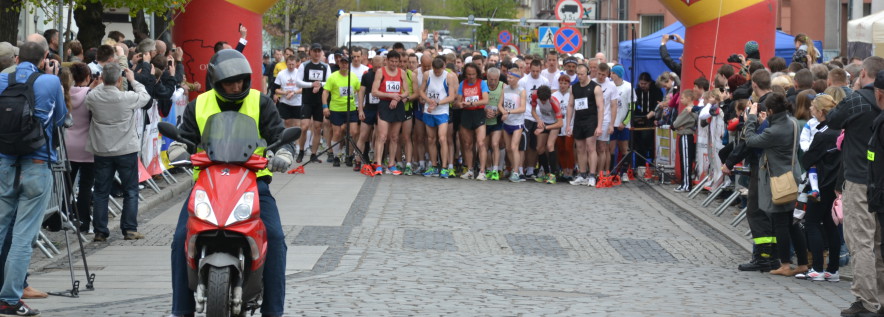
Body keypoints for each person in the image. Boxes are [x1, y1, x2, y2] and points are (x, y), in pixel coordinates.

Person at [167, 49, 294, 317]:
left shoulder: (261, 103)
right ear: (215, 81)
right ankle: (180, 311)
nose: (235, 86)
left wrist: (283, 152)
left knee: (275, 237)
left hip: (252, 183)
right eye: (229, 82)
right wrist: (178, 149)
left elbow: (279, 134)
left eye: (239, 80)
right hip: (208, 182)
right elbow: (184, 136)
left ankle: (273, 312)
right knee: (180, 238)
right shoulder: (198, 104)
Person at [0, 40, 67, 317]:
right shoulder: (50, 82)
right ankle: (9, 299)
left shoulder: (2, 78)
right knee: (23, 235)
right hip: (37, 163)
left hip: (4, 162)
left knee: (1, 227)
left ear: (17, 59)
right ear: (44, 59)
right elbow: (61, 118)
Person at [827, 56, 884, 317]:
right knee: (878, 244)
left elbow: (833, 120)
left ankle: (867, 301)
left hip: (860, 178)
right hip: (879, 179)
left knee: (861, 242)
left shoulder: (858, 99)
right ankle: (879, 299)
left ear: (863, 73)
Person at [743, 92, 807, 277]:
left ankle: (785, 264)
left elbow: (751, 141)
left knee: (780, 222)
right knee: (792, 223)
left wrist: (751, 119)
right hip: (791, 175)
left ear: (770, 111)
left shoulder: (775, 131)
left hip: (778, 180)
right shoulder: (792, 122)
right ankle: (802, 263)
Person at [85, 62, 151, 242]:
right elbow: (145, 96)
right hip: (125, 149)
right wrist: (134, 80)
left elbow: (87, 99)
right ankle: (129, 229)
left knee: (101, 191)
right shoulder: (126, 97)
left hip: (102, 150)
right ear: (120, 79)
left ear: (102, 78)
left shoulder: (93, 97)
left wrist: (97, 84)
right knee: (130, 190)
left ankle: (100, 230)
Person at [798, 93, 842, 281]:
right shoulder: (840, 130)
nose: (810, 109)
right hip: (834, 184)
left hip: (820, 183)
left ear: (821, 111)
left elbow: (808, 158)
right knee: (831, 225)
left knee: (811, 223)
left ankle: (816, 267)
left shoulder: (823, 134)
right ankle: (832, 269)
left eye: (813, 107)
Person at [65, 63, 99, 233]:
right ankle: (84, 221)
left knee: (66, 185)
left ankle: (63, 216)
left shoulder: (65, 93)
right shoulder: (92, 95)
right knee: (85, 186)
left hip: (68, 145)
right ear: (88, 77)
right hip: (87, 146)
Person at [371, 50, 409, 175]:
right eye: (391, 61)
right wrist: (390, 95)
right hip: (384, 104)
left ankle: (391, 164)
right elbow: (374, 91)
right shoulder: (380, 72)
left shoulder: (402, 73)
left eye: (396, 62)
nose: (393, 64)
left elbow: (407, 92)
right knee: (382, 136)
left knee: (394, 137)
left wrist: (397, 98)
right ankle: (378, 164)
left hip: (397, 105)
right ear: (386, 60)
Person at [419, 57, 458, 178]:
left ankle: (445, 167)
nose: (436, 73)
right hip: (429, 110)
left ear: (443, 68)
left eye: (438, 71)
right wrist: (428, 101)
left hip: (442, 110)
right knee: (431, 139)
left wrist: (437, 103)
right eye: (435, 70)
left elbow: (451, 97)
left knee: (442, 138)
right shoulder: (427, 74)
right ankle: (434, 165)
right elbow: (421, 91)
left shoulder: (449, 76)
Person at [567, 64, 604, 187]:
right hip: (579, 120)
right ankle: (582, 174)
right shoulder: (574, 87)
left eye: (582, 74)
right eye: (578, 74)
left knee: (591, 148)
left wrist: (599, 126)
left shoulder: (595, 88)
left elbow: (600, 107)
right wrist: (568, 124)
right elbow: (570, 106)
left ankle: (592, 175)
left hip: (591, 120)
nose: (580, 76)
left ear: (587, 73)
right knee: (580, 148)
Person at [295, 43, 331, 164]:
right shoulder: (304, 65)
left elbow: (329, 82)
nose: (316, 53)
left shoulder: (325, 67)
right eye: (314, 51)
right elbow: (298, 82)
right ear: (310, 52)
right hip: (307, 99)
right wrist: (311, 85)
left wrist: (320, 84)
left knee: (317, 127)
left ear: (321, 53)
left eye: (318, 51)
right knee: (304, 126)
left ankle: (314, 154)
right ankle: (301, 150)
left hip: (319, 101)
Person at [322, 56, 360, 167]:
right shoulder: (333, 77)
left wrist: (360, 105)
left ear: (349, 64)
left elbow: (359, 91)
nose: (344, 65)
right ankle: (336, 156)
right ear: (339, 64)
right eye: (342, 63)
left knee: (353, 132)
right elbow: (325, 92)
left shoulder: (353, 77)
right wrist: (325, 107)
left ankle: (349, 155)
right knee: (337, 133)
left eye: (346, 63)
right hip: (336, 109)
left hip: (351, 108)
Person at [456, 63, 490, 180]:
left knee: (481, 143)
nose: (471, 77)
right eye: (469, 74)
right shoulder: (462, 84)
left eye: (473, 74)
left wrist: (471, 103)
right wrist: (459, 104)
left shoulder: (482, 83)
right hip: (466, 114)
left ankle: (482, 171)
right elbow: (457, 101)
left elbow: (486, 100)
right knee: (467, 144)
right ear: (465, 74)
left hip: (479, 114)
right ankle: (470, 170)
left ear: (477, 74)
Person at [529, 85, 563, 184]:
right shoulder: (535, 96)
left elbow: (560, 123)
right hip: (544, 121)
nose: (543, 102)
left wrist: (544, 128)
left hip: (555, 123)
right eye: (541, 100)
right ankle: (546, 173)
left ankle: (553, 174)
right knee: (539, 148)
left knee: (550, 145)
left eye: (545, 100)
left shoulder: (553, 102)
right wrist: (538, 120)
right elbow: (533, 111)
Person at [355, 55, 384, 171]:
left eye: (380, 65)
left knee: (378, 136)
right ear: (372, 63)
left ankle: (376, 161)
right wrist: (360, 109)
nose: (377, 67)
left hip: (381, 109)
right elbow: (361, 93)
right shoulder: (367, 76)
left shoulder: (385, 75)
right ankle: (357, 160)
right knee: (363, 136)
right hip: (369, 109)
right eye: (376, 65)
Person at [500, 68, 528, 182]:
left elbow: (522, 108)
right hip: (507, 122)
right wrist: (503, 111)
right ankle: (513, 168)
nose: (508, 79)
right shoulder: (505, 89)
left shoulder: (522, 91)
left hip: (517, 123)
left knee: (514, 147)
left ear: (517, 78)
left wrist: (509, 112)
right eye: (508, 77)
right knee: (508, 148)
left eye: (511, 77)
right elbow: (500, 104)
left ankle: (516, 172)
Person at [611, 65, 636, 180]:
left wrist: (625, 122)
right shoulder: (610, 86)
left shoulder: (628, 87)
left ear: (619, 75)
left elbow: (632, 107)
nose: (611, 75)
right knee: (611, 148)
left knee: (623, 148)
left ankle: (624, 172)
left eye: (613, 73)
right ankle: (612, 171)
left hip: (623, 124)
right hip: (612, 123)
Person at [594, 63, 619, 175]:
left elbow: (614, 106)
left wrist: (611, 124)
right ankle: (592, 172)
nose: (601, 77)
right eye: (599, 74)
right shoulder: (592, 82)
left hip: (605, 119)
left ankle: (600, 173)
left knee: (602, 147)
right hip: (591, 118)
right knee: (590, 147)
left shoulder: (611, 86)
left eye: (603, 75)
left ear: (607, 74)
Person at [672, 90, 698, 192]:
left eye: (682, 98)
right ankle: (684, 183)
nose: (681, 100)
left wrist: (678, 127)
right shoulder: (690, 110)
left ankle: (686, 185)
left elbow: (675, 124)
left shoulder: (688, 110)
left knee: (686, 161)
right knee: (684, 160)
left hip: (686, 136)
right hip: (684, 135)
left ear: (688, 99)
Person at [553, 74, 575, 181]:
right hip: (558, 125)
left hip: (569, 125)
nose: (562, 85)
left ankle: (570, 171)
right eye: (561, 83)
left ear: (568, 84)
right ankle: (564, 170)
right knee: (560, 149)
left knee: (568, 148)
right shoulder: (554, 95)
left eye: (565, 83)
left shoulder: (572, 94)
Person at [484, 67, 505, 181]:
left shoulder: (503, 86)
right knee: (485, 146)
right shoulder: (482, 84)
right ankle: (488, 168)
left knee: (495, 144)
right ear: (487, 77)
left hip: (497, 120)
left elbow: (506, 102)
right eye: (490, 80)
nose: (492, 82)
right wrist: (485, 111)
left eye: (495, 80)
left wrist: (497, 112)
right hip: (484, 119)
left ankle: (495, 170)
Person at [274, 54, 303, 130]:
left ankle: (296, 141)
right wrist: (285, 93)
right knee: (287, 122)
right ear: (286, 64)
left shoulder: (299, 73)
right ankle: (288, 140)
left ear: (296, 64)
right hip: (285, 102)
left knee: (297, 123)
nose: (291, 66)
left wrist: (294, 92)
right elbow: (276, 89)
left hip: (297, 102)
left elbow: (304, 89)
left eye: (293, 64)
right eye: (289, 64)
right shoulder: (281, 74)